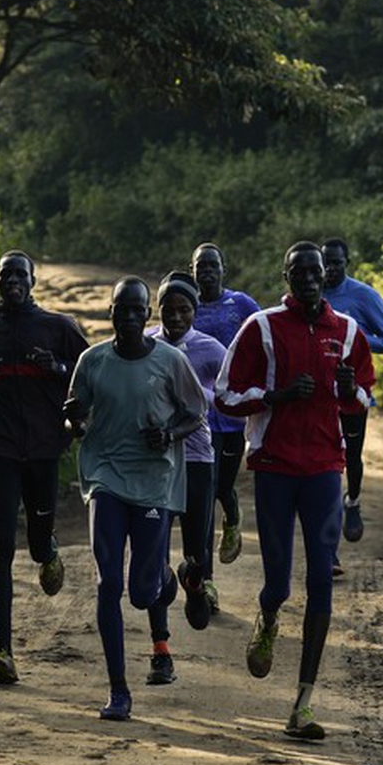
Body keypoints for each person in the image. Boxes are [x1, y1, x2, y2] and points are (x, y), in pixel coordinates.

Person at [217, 242, 376, 739]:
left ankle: (303, 702)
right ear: (285, 275)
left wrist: (350, 392)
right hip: (275, 467)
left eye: (316, 271)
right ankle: (267, 615)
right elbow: (225, 393)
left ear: (326, 277)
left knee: (322, 584)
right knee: (281, 582)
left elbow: (364, 400)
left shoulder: (347, 332)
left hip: (325, 468)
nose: (309, 279)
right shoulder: (261, 327)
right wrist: (275, 397)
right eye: (299, 271)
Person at [65, 276, 205, 720]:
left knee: (143, 594)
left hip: (153, 483)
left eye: (135, 311)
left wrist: (168, 434)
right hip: (104, 476)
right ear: (110, 314)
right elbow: (77, 417)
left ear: (147, 317)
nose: (126, 318)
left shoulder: (169, 360)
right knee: (109, 583)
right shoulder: (92, 361)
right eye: (119, 310)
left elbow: (195, 414)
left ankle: (164, 579)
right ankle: (118, 691)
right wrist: (73, 423)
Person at [0, 250, 91, 685]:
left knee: (36, 543)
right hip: (0, 448)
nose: (13, 281)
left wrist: (56, 367)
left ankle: (49, 549)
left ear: (33, 281)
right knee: (2, 544)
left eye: (20, 274)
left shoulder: (57, 327)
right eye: (6, 275)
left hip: (42, 449)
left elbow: (90, 372)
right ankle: (4, 650)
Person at [149, 271, 228, 640]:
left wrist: (198, 396)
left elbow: (229, 392)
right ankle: (159, 624)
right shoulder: (147, 343)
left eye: (185, 310)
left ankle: (195, 583)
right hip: (156, 459)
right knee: (156, 542)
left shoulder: (211, 349)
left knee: (197, 545)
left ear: (195, 311)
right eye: (169, 310)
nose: (177, 317)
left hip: (197, 456)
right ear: (158, 310)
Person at [320, 237, 383, 558]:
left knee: (350, 457)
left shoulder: (363, 295)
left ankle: (352, 501)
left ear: (347, 263)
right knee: (325, 465)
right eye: (325, 263)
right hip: (317, 395)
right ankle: (329, 547)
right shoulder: (311, 294)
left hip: (354, 393)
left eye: (336, 263)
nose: (329, 270)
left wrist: (351, 337)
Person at [187, 243, 261, 596]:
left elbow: (265, 339)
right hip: (199, 418)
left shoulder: (241, 304)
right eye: (201, 266)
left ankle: (232, 517)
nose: (207, 271)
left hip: (232, 414)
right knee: (203, 500)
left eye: (213, 265)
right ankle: (207, 582)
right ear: (193, 270)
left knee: (221, 489)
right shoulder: (187, 305)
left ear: (223, 269)